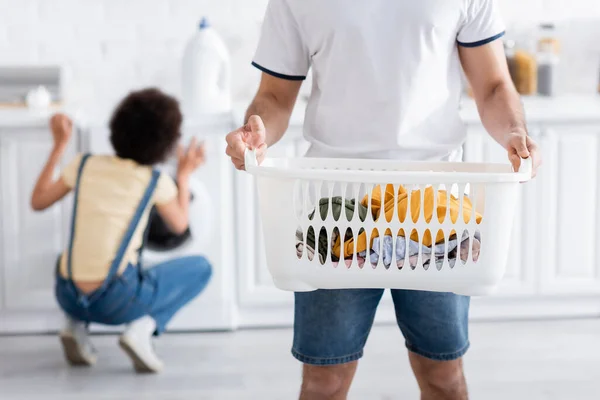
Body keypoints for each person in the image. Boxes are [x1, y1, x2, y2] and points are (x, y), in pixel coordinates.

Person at [226, 0, 541, 399]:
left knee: (443, 377)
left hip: (435, 212)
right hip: (336, 210)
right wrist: (255, 134)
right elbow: (274, 96)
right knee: (325, 382)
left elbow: (494, 85)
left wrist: (515, 133)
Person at [31, 88, 212, 374]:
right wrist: (185, 174)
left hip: (67, 294)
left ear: (116, 128)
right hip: (117, 302)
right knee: (202, 267)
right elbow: (180, 226)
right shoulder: (155, 180)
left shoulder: (84, 164)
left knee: (69, 256)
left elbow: (38, 201)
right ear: (165, 145)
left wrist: (59, 145)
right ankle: (141, 330)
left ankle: (74, 324)